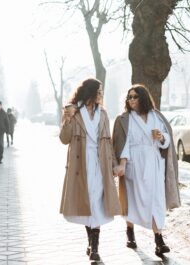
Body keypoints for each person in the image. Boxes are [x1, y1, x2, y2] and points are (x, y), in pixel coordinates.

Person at [112, 84, 181, 257]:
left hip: (154, 163)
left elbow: (166, 140)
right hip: (134, 164)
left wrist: (161, 137)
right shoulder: (124, 119)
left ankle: (159, 240)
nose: (132, 100)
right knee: (133, 201)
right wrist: (122, 164)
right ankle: (130, 232)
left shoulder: (156, 116)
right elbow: (123, 144)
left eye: (135, 96)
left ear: (143, 97)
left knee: (156, 201)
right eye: (129, 97)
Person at [59, 78, 120, 261]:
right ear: (90, 93)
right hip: (81, 165)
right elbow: (64, 139)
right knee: (88, 203)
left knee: (96, 202)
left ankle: (94, 247)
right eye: (99, 91)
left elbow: (108, 142)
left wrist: (114, 164)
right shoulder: (75, 112)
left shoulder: (103, 114)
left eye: (102, 91)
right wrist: (67, 120)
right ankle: (91, 243)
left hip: (100, 163)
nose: (101, 94)